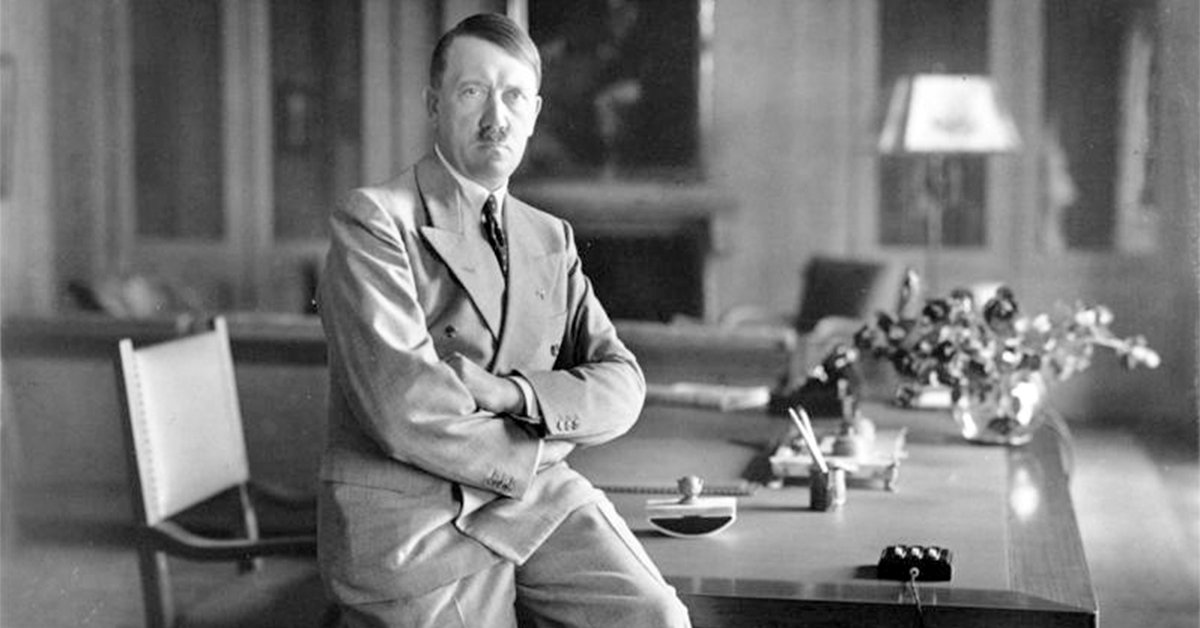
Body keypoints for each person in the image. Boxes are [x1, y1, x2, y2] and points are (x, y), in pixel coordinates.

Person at [316, 12, 691, 628]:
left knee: (657, 618)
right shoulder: (375, 220)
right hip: (415, 524)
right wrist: (544, 445)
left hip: (536, 505)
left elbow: (623, 383)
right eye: (472, 92)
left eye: (514, 96)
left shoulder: (549, 236)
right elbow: (406, 411)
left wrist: (512, 394)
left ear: (535, 113)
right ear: (434, 105)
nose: (497, 118)